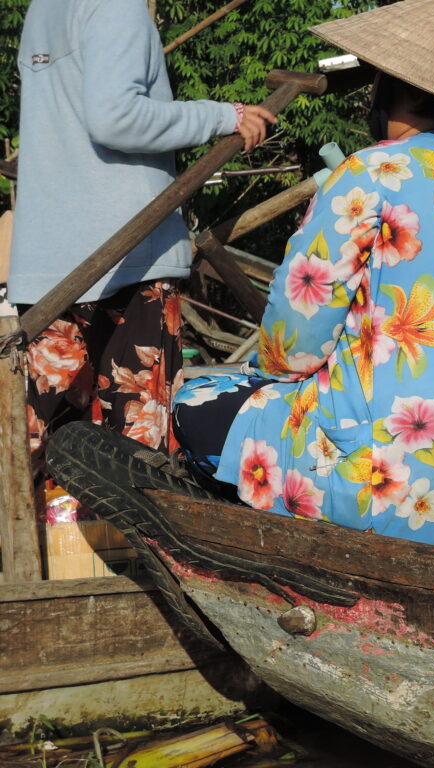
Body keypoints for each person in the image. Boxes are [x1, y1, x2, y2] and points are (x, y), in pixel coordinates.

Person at [172, 0, 434, 557]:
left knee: (196, 403)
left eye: (379, 83)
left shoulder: (371, 172)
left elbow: (293, 347)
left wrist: (267, 377)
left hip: (388, 479)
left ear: (410, 92)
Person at [9, 0, 275, 475]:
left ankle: (53, 549)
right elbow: (117, 118)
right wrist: (223, 117)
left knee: (41, 448)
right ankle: (128, 551)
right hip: (128, 258)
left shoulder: (45, 9)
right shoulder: (117, 5)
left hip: (52, 261)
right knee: (135, 455)